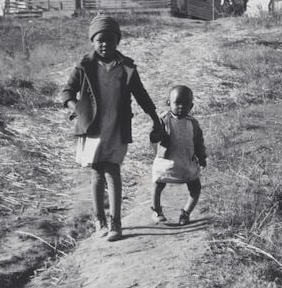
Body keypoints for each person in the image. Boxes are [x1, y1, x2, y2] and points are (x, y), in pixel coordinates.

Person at [61, 14, 160, 241]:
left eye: (110, 39)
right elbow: (67, 92)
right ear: (92, 42)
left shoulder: (127, 67)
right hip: (93, 128)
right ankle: (100, 221)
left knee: (113, 170)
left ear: (118, 40)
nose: (105, 44)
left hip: (117, 126)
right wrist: (77, 109)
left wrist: (155, 117)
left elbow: (141, 95)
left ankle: (116, 223)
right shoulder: (85, 66)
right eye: (100, 40)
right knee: (97, 172)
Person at [149, 85, 207, 226]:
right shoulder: (163, 120)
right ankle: (157, 211)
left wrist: (202, 156)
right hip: (167, 163)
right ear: (168, 102)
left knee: (195, 188)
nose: (181, 107)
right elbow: (153, 138)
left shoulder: (193, 123)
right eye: (177, 103)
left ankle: (186, 213)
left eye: (186, 103)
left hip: (186, 162)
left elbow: (198, 141)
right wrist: (156, 132)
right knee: (158, 184)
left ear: (191, 106)